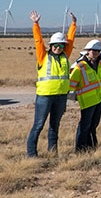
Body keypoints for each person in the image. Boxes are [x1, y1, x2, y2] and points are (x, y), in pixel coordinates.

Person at [27, 10, 77, 157]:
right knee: (38, 126)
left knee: (55, 126)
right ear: (51, 45)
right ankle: (31, 154)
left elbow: (71, 40)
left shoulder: (65, 56)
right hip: (44, 97)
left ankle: (53, 153)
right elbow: (38, 41)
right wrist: (36, 24)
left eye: (61, 45)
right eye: (55, 45)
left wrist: (74, 24)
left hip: (61, 97)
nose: (58, 48)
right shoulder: (43, 56)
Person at [69, 39, 101, 151]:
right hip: (87, 101)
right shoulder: (80, 67)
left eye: (98, 51)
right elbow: (71, 85)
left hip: (100, 98)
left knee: (94, 125)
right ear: (88, 51)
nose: (96, 53)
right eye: (93, 51)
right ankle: (80, 149)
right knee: (85, 125)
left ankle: (92, 147)